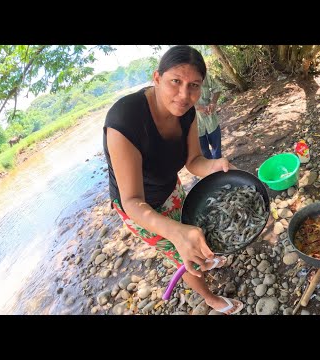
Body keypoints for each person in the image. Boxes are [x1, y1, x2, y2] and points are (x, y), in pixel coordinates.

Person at [103, 45, 243, 315]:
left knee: (194, 234)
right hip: (140, 208)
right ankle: (210, 299)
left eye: (194, 85)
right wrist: (174, 231)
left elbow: (193, 161)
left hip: (171, 188)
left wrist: (216, 165)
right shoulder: (125, 120)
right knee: (184, 252)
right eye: (175, 82)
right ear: (157, 78)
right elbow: (132, 201)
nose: (183, 95)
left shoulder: (187, 110)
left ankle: (205, 260)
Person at [195, 73, 222, 159]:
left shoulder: (204, 75)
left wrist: (213, 102)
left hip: (211, 120)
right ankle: (211, 171)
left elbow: (217, 89)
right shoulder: (181, 79)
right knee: (204, 153)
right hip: (195, 125)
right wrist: (197, 107)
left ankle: (219, 170)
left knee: (217, 150)